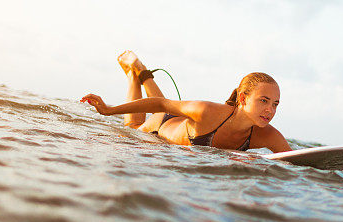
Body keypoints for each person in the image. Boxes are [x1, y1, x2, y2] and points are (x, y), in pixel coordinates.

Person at [81, 51, 292, 153]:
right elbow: (162, 105)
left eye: (275, 104)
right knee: (133, 126)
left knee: (164, 105)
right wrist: (109, 110)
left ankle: (142, 72)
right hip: (162, 127)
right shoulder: (207, 111)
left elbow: (301, 160)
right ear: (243, 99)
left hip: (180, 119)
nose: (269, 110)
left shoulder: (268, 135)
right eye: (264, 100)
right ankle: (133, 73)